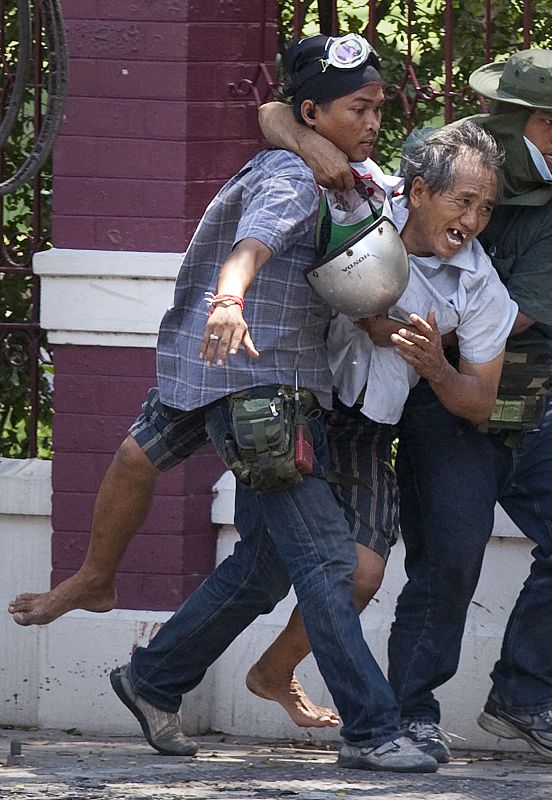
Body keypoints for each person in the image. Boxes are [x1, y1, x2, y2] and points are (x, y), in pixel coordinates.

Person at [12, 33, 440, 774]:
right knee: (328, 561)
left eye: (378, 106)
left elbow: (311, 207)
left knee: (260, 562)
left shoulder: (338, 171)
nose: (374, 120)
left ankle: (152, 677)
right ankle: (372, 729)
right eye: (359, 108)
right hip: (258, 388)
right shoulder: (293, 180)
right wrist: (231, 298)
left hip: (210, 369)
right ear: (315, 113)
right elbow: (254, 244)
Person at [258, 48, 552, 766]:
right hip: (433, 392)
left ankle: (523, 695)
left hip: (526, 382)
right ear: (505, 118)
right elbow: (282, 116)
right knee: (447, 557)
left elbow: (516, 319)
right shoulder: (439, 153)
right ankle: (412, 712)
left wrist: (392, 312)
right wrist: (301, 136)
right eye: (549, 124)